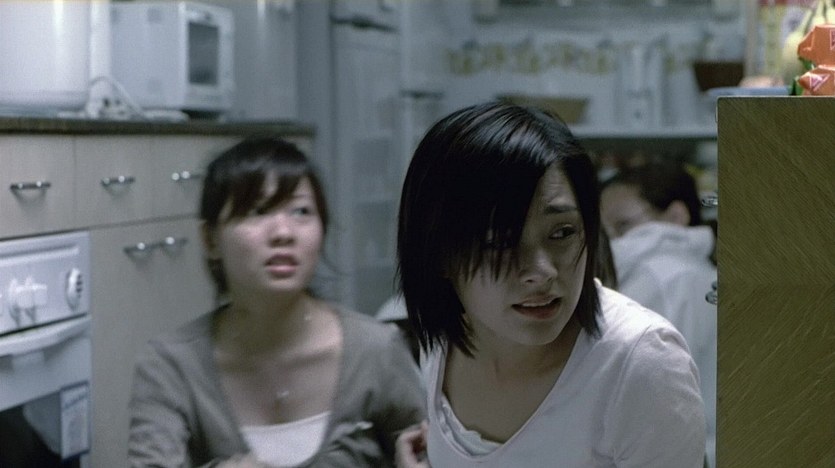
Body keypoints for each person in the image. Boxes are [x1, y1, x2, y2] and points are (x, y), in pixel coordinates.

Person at [394, 101, 706, 468]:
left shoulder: (640, 365)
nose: (542, 271)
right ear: (439, 254)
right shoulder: (444, 341)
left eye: (562, 232)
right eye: (499, 242)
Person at [128, 135, 425, 467]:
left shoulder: (376, 351)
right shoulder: (171, 366)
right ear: (210, 240)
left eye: (301, 211)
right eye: (257, 211)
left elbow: (433, 449)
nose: (284, 232)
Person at [599, 161, 718, 468]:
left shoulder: (657, 277)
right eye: (604, 232)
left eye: (623, 225)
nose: (612, 242)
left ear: (676, 215)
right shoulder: (704, 274)